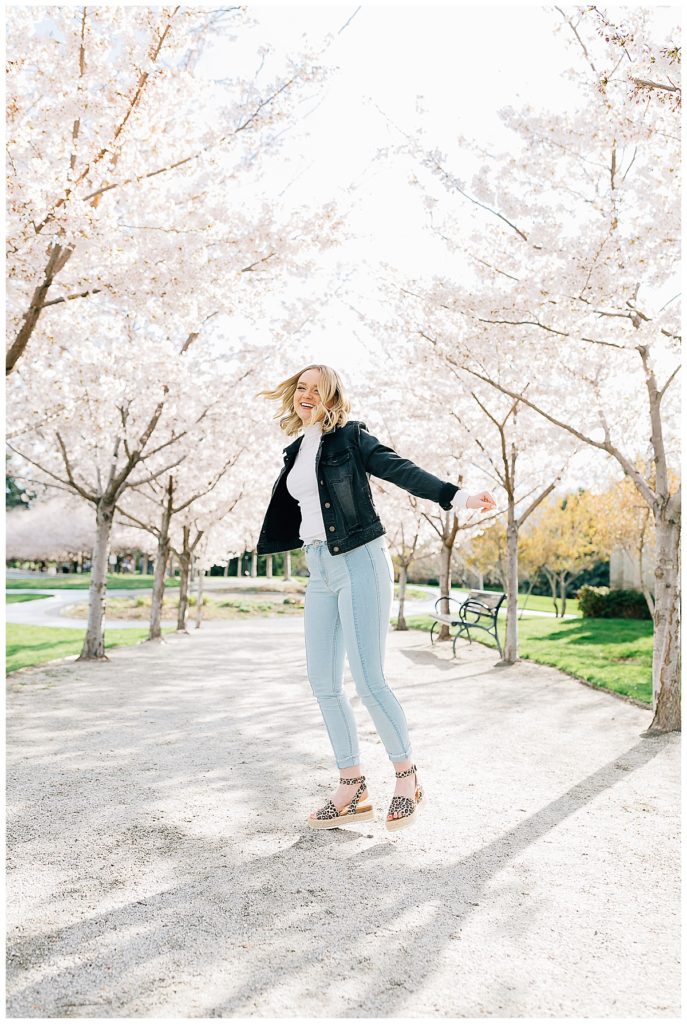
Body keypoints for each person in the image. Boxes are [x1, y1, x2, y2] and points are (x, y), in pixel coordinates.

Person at [256, 363, 496, 832]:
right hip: (319, 568)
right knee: (322, 681)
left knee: (368, 680)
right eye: (302, 388)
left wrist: (459, 496)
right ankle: (353, 787)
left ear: (333, 398)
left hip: (361, 560)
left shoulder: (350, 438)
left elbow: (397, 468)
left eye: (318, 391)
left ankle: (406, 778)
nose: (307, 396)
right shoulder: (294, 450)